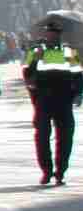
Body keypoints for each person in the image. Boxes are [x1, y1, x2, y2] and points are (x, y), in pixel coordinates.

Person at [21, 17, 78, 185]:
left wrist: (77, 94)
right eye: (50, 33)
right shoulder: (37, 50)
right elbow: (27, 74)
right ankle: (46, 171)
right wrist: (36, 61)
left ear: (60, 35)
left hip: (64, 99)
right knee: (42, 137)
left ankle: (60, 171)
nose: (52, 36)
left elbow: (78, 75)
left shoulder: (68, 52)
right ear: (46, 34)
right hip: (44, 99)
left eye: (55, 33)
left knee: (65, 137)